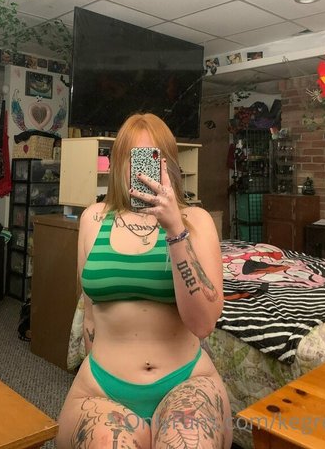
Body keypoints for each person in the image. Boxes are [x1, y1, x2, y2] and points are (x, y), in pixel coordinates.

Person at [56, 113, 232, 449]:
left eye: (152, 158)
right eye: (133, 158)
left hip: (185, 382)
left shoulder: (196, 220)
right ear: (118, 164)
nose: (142, 171)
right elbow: (91, 314)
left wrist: (175, 229)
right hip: (104, 387)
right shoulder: (93, 218)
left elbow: (204, 324)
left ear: (169, 166)